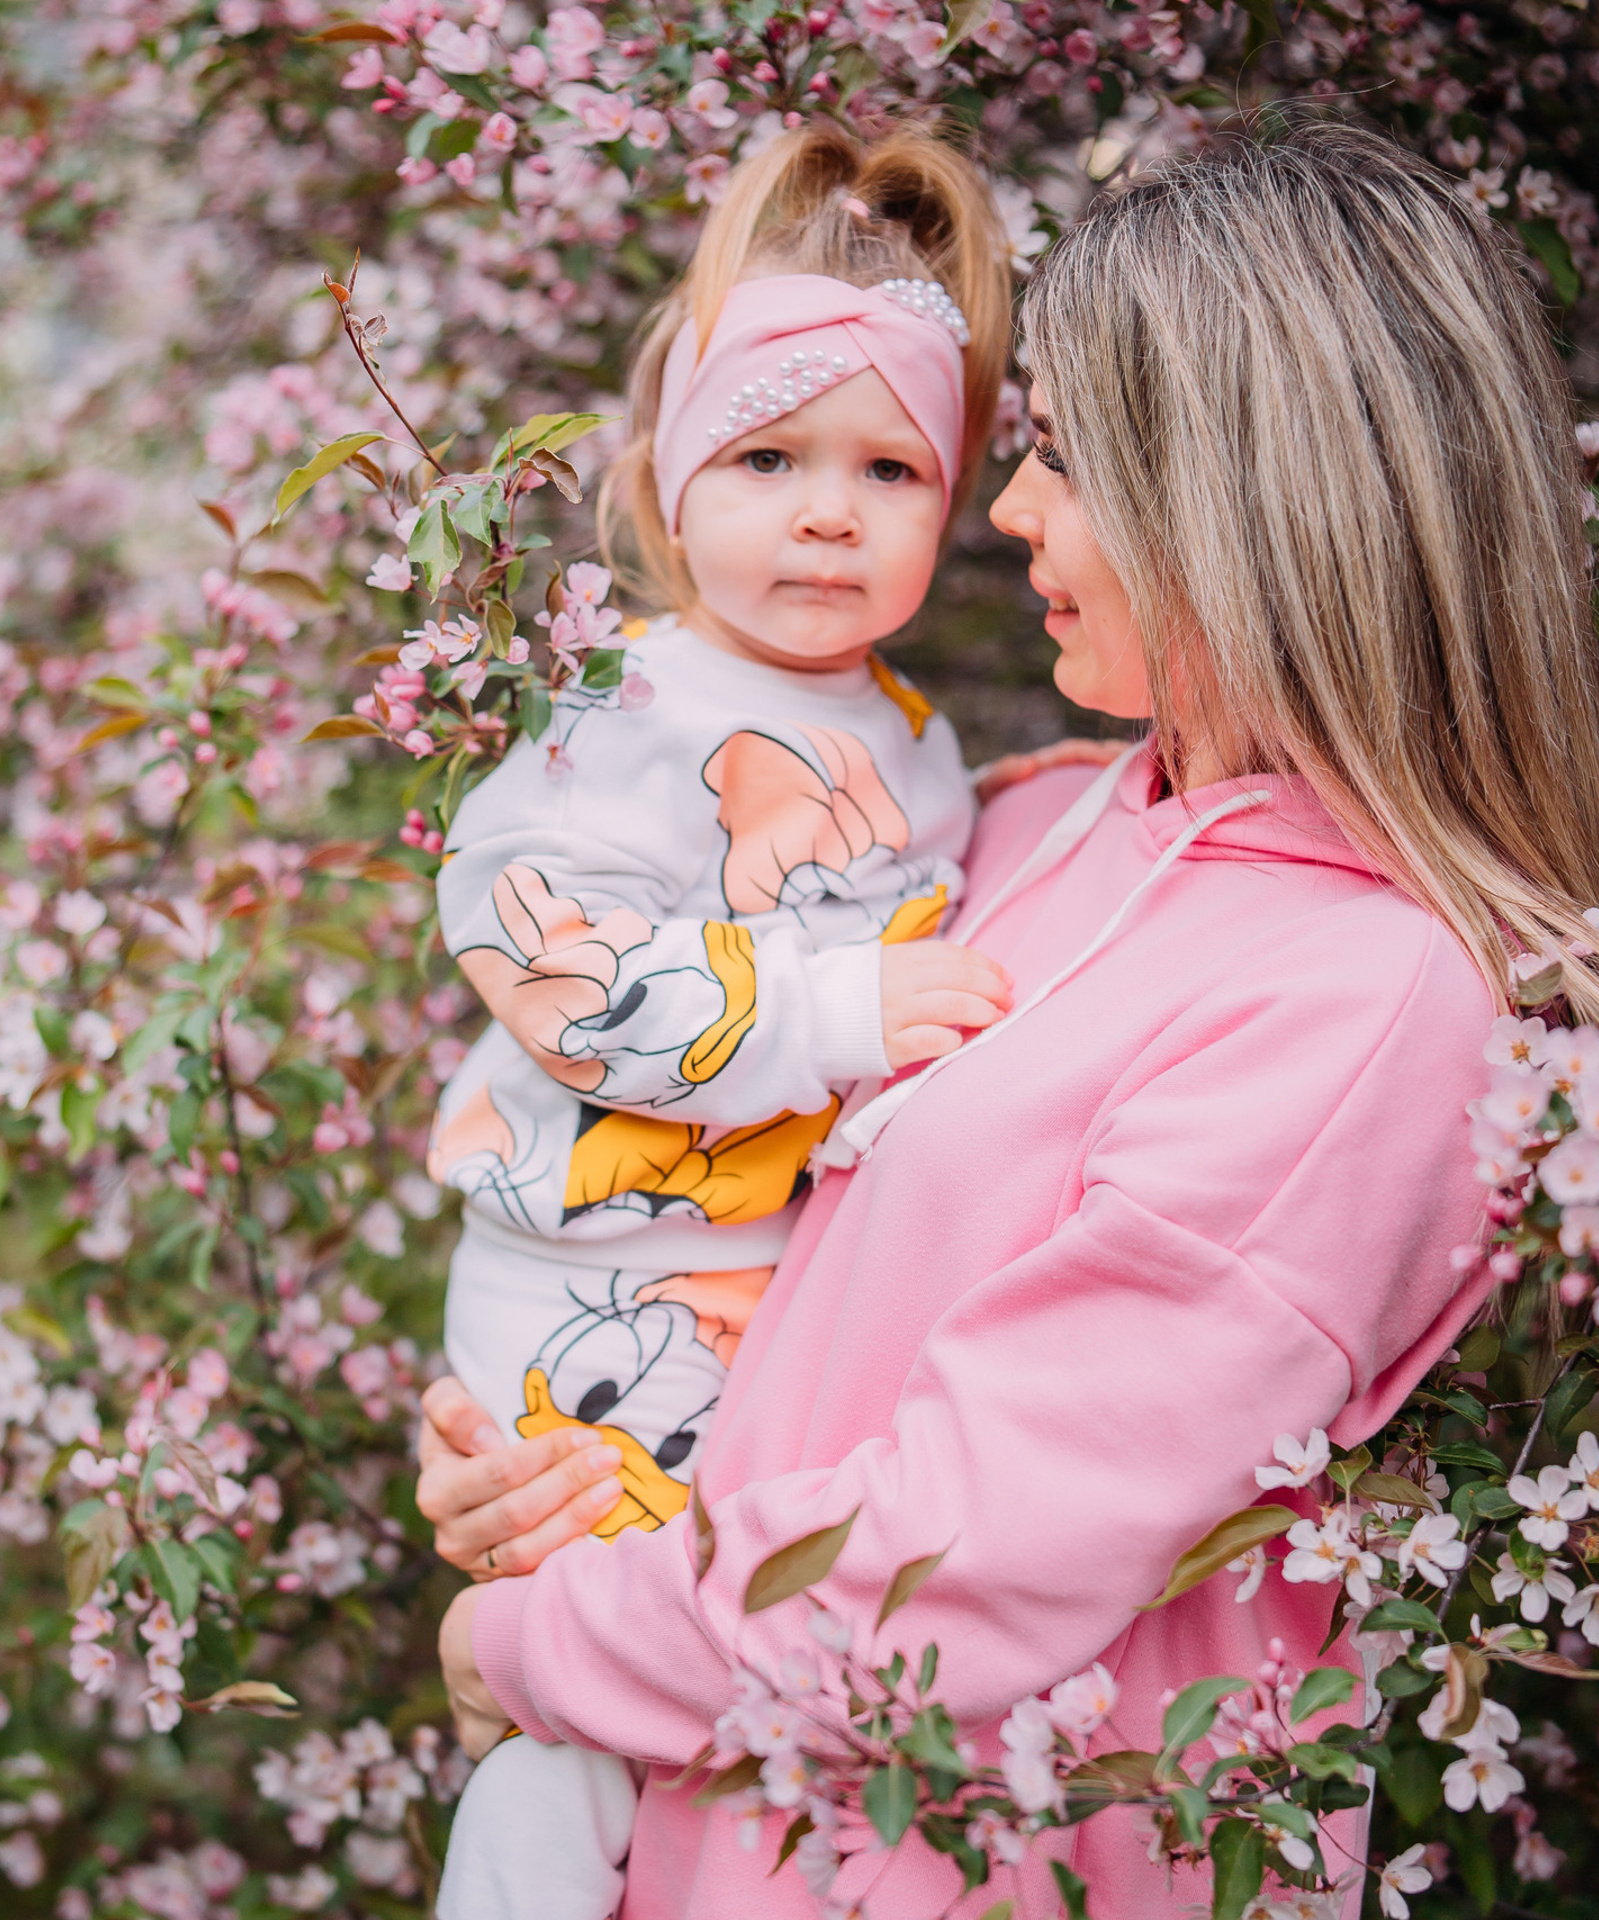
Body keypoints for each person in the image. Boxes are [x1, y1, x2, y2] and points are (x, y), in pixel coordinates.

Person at [417, 119, 1599, 1917]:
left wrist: (536, 1642)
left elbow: (958, 1556)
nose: (1004, 514)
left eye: (1058, 457)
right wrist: (563, 1444)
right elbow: (771, 1219)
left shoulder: (1367, 1005)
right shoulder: (1041, 818)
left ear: (1232, 496)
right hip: (698, 1834)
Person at [426, 125, 1110, 1919]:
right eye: (769, 456)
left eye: (889, 466)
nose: (828, 508)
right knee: (580, 1697)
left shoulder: (914, 738)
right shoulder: (630, 707)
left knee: (716, 1695)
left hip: (752, 1308)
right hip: (597, 1281)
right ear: (664, 482)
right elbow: (548, 965)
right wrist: (831, 1008)